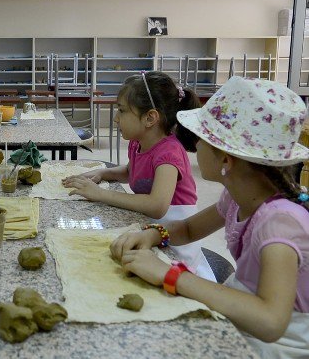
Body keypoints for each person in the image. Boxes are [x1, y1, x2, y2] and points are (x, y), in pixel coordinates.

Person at [110, 76, 309, 356]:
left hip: (276, 344)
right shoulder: (238, 195)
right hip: (241, 309)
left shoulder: (280, 224)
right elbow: (190, 229)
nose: (193, 148)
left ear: (226, 160)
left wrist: (170, 275)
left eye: (200, 141)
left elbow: (270, 321)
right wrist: (154, 234)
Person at [63, 71, 215, 280]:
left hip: (176, 245)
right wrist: (102, 172)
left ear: (150, 118)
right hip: (149, 228)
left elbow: (157, 205)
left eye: (122, 111)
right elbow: (131, 172)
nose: (116, 118)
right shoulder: (138, 143)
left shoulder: (169, 153)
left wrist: (100, 194)